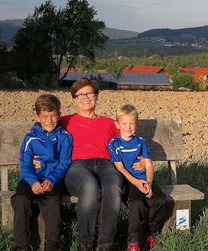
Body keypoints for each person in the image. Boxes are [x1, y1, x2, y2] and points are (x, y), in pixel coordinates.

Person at [59, 78, 144, 251]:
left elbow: (128, 143)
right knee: (90, 186)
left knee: (113, 186)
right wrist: (35, 156)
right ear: (74, 99)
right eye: (80, 94)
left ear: (97, 96)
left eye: (89, 93)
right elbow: (41, 132)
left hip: (107, 165)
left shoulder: (109, 123)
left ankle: (106, 243)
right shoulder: (65, 121)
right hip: (77, 166)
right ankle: (85, 243)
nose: (85, 97)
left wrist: (142, 161)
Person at [11, 94, 73, 251]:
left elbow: (64, 162)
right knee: (21, 201)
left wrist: (52, 179)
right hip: (31, 177)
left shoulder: (65, 137)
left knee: (52, 204)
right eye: (45, 116)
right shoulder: (30, 138)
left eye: (53, 116)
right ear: (37, 117)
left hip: (54, 178)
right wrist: (33, 182)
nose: (49, 120)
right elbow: (25, 164)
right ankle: (21, 246)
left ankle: (52, 245)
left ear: (59, 114)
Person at [107, 104, 173, 251]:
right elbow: (120, 168)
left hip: (145, 179)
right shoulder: (114, 144)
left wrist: (148, 182)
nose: (128, 127)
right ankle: (134, 241)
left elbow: (149, 166)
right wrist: (137, 182)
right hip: (129, 181)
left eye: (132, 123)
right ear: (117, 124)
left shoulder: (142, 143)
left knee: (161, 201)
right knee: (137, 204)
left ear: (137, 124)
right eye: (124, 123)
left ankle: (150, 232)